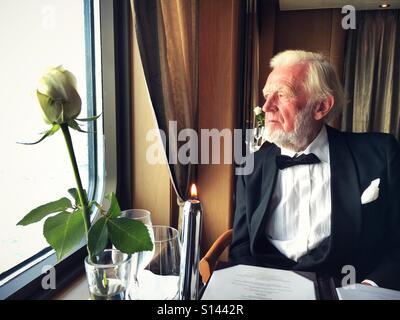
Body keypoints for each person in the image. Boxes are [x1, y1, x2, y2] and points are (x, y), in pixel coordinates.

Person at [229, 50, 400, 290]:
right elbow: (241, 248)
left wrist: (370, 287)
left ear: (321, 106)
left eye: (282, 95)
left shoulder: (379, 153)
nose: (266, 107)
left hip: (348, 289)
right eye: (267, 95)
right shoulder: (251, 165)